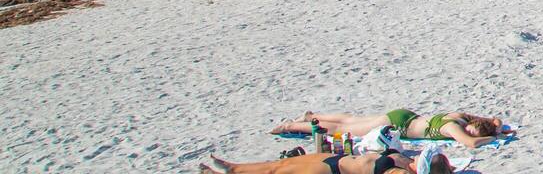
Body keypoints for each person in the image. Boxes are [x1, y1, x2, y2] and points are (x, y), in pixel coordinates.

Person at [268, 110, 505, 149]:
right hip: (396, 125)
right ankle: (291, 126)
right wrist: (489, 139)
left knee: (350, 120)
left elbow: (496, 120)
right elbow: (470, 143)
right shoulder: (453, 128)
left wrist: (498, 130)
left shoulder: (461, 117)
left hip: (404, 115)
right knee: (341, 129)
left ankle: (312, 115)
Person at [198, 150, 451, 174]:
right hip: (337, 159)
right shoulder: (405, 162)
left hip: (333, 169)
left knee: (277, 171)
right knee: (279, 165)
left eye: (423, 159)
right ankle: (232, 168)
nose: (418, 156)